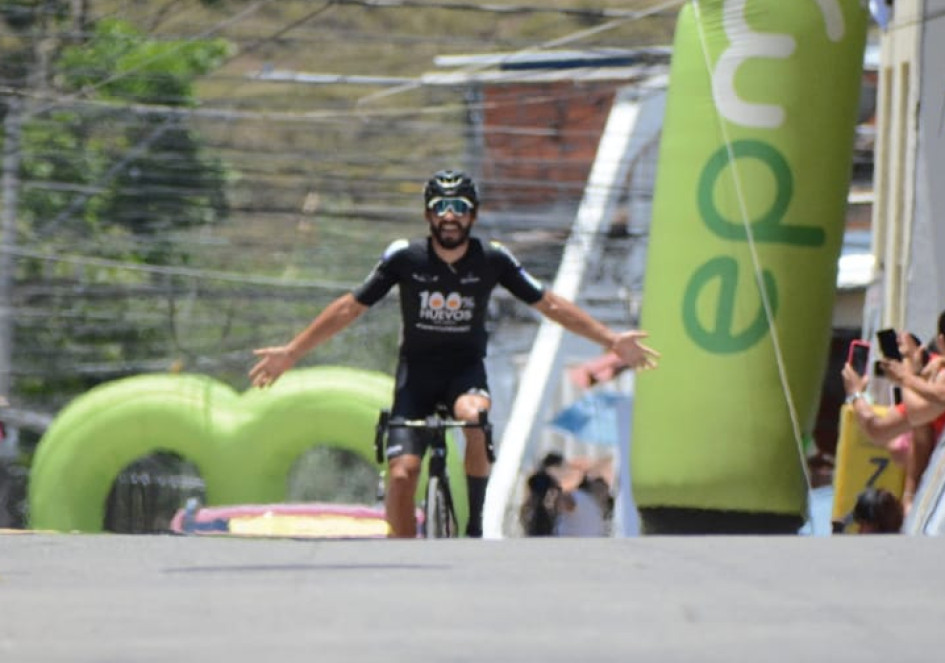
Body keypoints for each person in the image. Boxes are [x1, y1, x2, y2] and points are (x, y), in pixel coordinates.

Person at [250, 169, 660, 538]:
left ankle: (475, 523)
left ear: (473, 215)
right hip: (416, 377)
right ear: (428, 214)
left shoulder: (493, 259)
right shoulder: (404, 258)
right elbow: (349, 308)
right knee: (402, 474)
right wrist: (291, 352)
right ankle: (403, 552)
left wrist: (609, 339)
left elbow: (549, 304)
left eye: (459, 207)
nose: (449, 216)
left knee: (474, 417)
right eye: (440, 207)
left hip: (465, 374)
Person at [842, 326, 945, 514]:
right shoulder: (930, 379)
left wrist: (906, 373)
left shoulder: (934, 379)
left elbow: (916, 413)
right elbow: (880, 430)